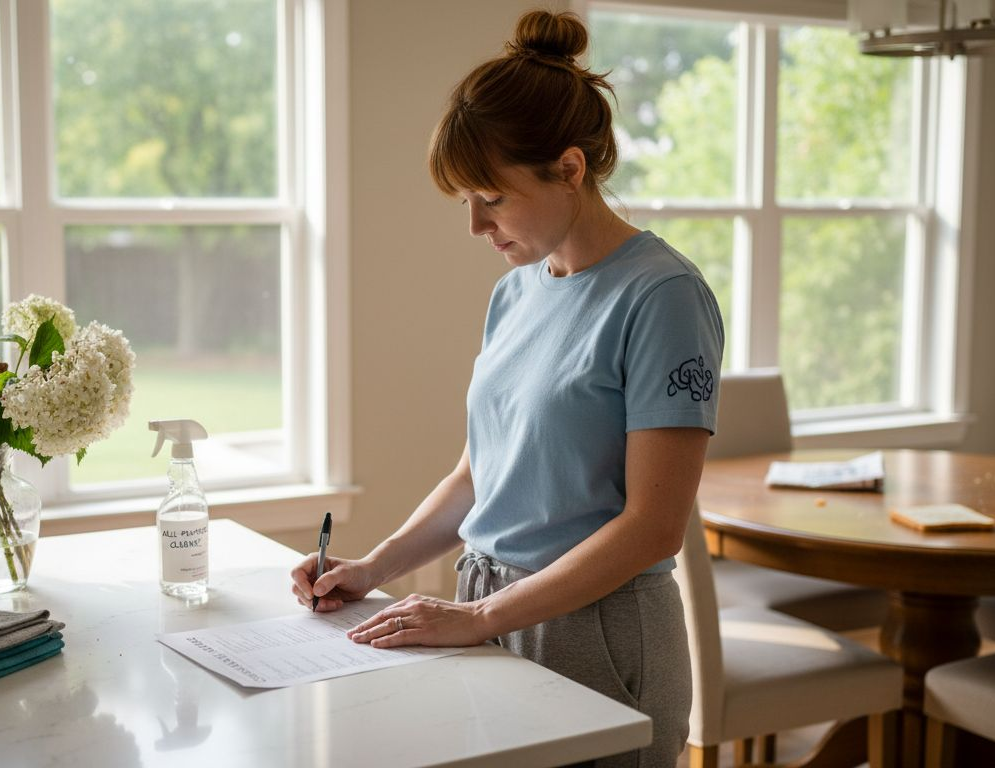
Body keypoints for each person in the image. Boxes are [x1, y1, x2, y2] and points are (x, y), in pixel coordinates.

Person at [290, 9, 722, 767]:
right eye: (465, 201)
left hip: (599, 628)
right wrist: (373, 567)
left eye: (491, 197)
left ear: (571, 168)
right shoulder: (517, 291)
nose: (475, 226)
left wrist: (479, 616)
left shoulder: (662, 297)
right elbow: (477, 474)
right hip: (488, 606)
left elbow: (656, 527)